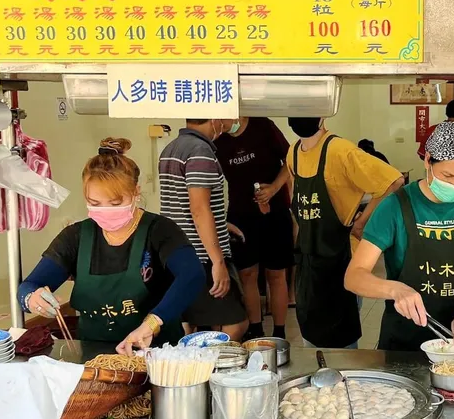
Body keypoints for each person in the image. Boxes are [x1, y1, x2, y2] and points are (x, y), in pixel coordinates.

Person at [17, 138, 205, 355]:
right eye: (95, 204)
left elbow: (192, 275)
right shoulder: (76, 237)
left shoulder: (159, 230)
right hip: (93, 358)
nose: (105, 210)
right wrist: (32, 298)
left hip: (157, 356)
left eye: (115, 203)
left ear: (136, 192)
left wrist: (151, 324)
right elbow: (29, 285)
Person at [345, 122, 454, 351]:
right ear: (428, 160)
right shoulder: (395, 206)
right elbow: (354, 277)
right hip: (404, 342)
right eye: (447, 176)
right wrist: (395, 290)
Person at [287, 117, 405, 349]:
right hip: (309, 262)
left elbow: (393, 181)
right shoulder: (293, 152)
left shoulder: (341, 150)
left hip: (340, 259)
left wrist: (361, 223)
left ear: (322, 116)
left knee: (341, 345)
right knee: (310, 338)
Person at [159, 119, 249, 341]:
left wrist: (220, 223)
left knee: (187, 324)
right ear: (215, 117)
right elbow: (199, 208)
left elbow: (181, 203)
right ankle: (213, 371)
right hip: (201, 256)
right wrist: (217, 262)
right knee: (235, 324)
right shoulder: (200, 151)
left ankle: (190, 371)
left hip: (175, 251)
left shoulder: (171, 148)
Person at [215, 117, 293, 341]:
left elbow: (290, 161)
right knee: (247, 274)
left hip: (274, 211)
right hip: (240, 215)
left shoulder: (263, 126)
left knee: (276, 274)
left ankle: (279, 332)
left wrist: (275, 188)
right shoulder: (217, 139)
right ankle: (256, 330)